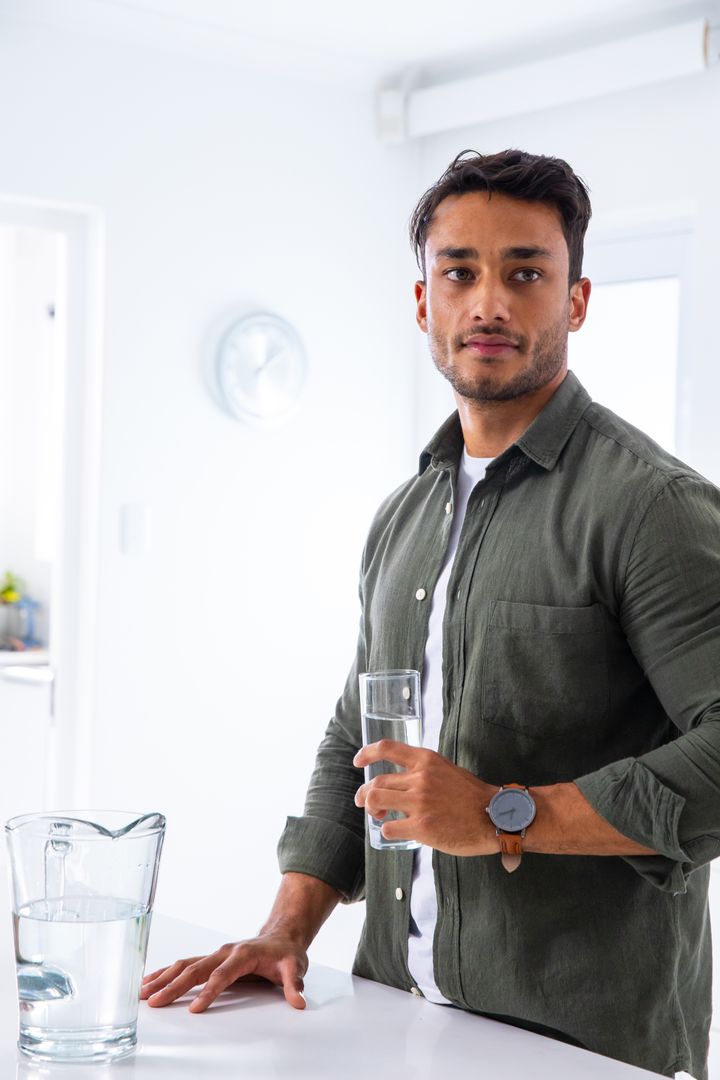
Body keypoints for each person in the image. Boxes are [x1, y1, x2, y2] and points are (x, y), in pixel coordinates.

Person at [141, 149, 719, 1080]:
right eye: (459, 273)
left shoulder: (649, 507)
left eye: (525, 273)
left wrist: (504, 814)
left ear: (576, 301)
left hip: (585, 1045)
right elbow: (356, 738)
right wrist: (286, 928)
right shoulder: (405, 514)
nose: (488, 303)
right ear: (423, 303)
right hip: (395, 1021)